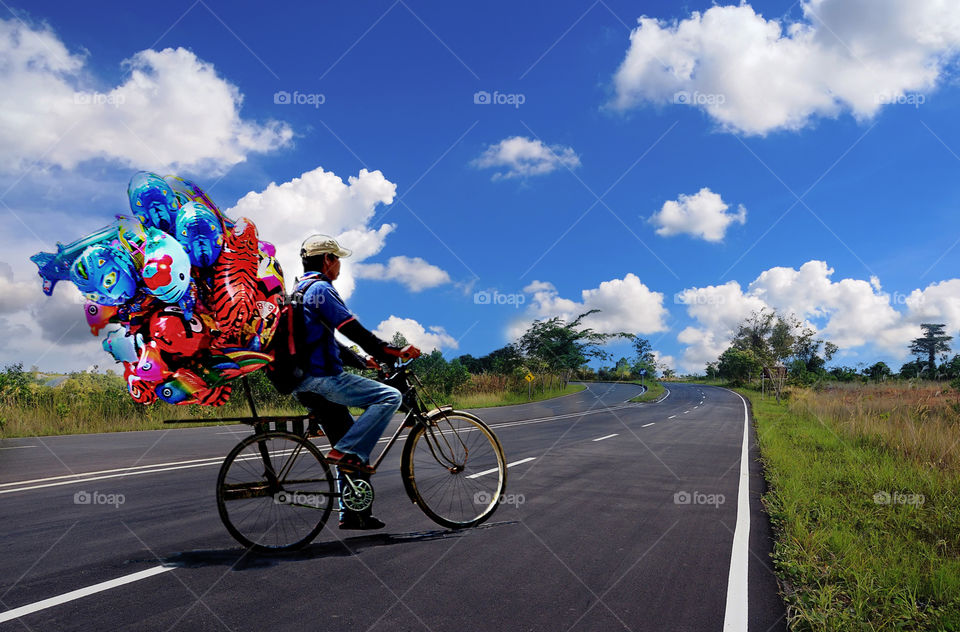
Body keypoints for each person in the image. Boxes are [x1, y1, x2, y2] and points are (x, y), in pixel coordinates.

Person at [292, 234, 420, 530]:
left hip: (304, 385)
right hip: (323, 380)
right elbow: (351, 330)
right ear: (327, 260)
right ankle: (348, 453)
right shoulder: (322, 288)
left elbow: (326, 342)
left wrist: (365, 361)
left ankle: (352, 513)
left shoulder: (298, 291)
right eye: (337, 260)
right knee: (389, 398)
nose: (339, 267)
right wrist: (390, 350)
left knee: (350, 438)